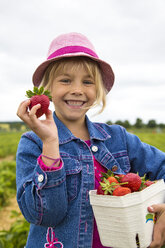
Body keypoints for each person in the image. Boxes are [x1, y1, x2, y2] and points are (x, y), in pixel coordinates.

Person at [16, 32, 165, 248]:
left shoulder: (117, 139)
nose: (77, 90)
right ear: (47, 89)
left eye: (88, 82)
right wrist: (50, 144)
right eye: (65, 80)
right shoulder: (34, 143)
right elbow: (44, 215)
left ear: (98, 89)